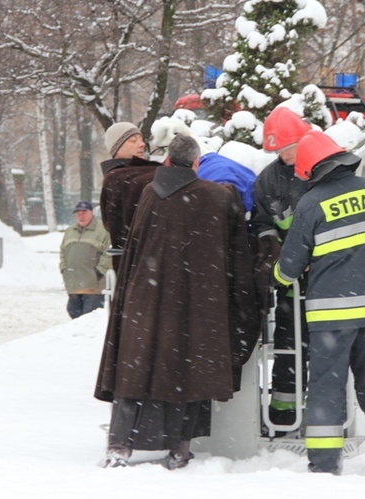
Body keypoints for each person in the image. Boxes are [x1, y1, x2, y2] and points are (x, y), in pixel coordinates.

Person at [94, 134, 260, 469]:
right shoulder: (219, 197)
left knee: (136, 367)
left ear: (168, 160)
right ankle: (180, 447)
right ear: (197, 163)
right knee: (190, 369)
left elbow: (135, 246)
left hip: (148, 297)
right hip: (199, 302)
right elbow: (237, 254)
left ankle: (120, 445)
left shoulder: (149, 194)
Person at [272, 130, 365, 475]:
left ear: (311, 171)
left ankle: (325, 463)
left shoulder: (311, 204)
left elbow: (289, 266)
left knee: (326, 387)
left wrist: (275, 281)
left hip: (331, 315)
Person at [250, 106, 312, 430]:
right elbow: (262, 221)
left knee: (325, 345)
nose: (284, 155)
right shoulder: (268, 180)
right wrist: (272, 247)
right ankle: (284, 410)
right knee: (288, 344)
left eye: (288, 148)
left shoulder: (319, 170)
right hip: (289, 279)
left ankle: (327, 408)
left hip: (322, 277)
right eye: (277, 150)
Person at [99, 122, 162, 270]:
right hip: (142, 262)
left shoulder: (148, 172)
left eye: (141, 140)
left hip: (140, 262)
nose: (141, 145)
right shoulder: (118, 178)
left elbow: (108, 223)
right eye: (133, 141)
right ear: (117, 147)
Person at [59, 201, 112, 319]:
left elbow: (108, 254)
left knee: (89, 318)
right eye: (78, 213)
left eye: (84, 212)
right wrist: (63, 269)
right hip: (73, 284)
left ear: (91, 213)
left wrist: (98, 272)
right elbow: (62, 251)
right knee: (73, 313)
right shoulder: (70, 230)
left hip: (94, 287)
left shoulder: (103, 230)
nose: (80, 216)